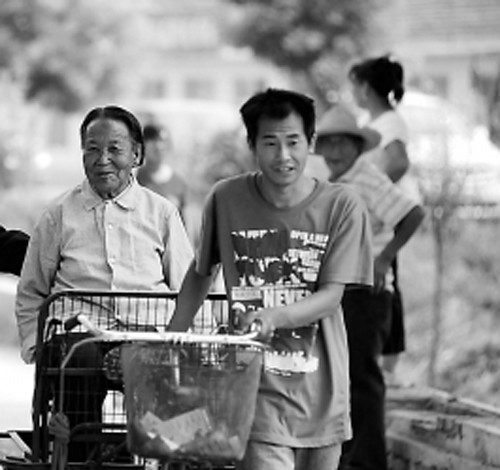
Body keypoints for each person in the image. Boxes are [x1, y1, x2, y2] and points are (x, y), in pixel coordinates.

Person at [168, 88, 373, 470]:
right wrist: (169, 342)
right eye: (270, 143)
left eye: (293, 142)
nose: (283, 156)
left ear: (310, 143)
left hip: (323, 397)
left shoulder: (342, 206)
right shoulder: (225, 199)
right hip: (251, 393)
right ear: (252, 145)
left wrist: (271, 318)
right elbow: (201, 273)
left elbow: (331, 296)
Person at [15, 105, 193, 460]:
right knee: (78, 360)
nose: (102, 159)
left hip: (148, 335)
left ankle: (143, 456)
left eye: (114, 148)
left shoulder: (161, 213)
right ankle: (83, 458)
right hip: (80, 338)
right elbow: (33, 289)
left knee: (161, 382)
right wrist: (37, 346)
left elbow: (188, 285)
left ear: (136, 154)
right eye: (92, 149)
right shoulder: (59, 215)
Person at [315, 104, 425, 470]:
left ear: (357, 147)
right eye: (328, 144)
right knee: (341, 379)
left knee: (362, 378)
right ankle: (349, 458)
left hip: (368, 292)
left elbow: (412, 214)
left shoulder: (368, 176)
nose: (334, 152)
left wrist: (383, 259)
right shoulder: (332, 183)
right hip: (341, 291)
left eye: (343, 144)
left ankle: (369, 462)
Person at [349, 54, 418, 383]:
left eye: (354, 85)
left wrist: (376, 193)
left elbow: (399, 161)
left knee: (386, 285)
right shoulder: (372, 121)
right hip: (373, 217)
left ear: (364, 87)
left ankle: (388, 364)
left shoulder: (389, 123)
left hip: (385, 219)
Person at [136, 123, 189, 221]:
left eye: (163, 141)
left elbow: (184, 225)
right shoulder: (133, 180)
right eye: (153, 140)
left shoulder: (178, 183)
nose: (159, 146)